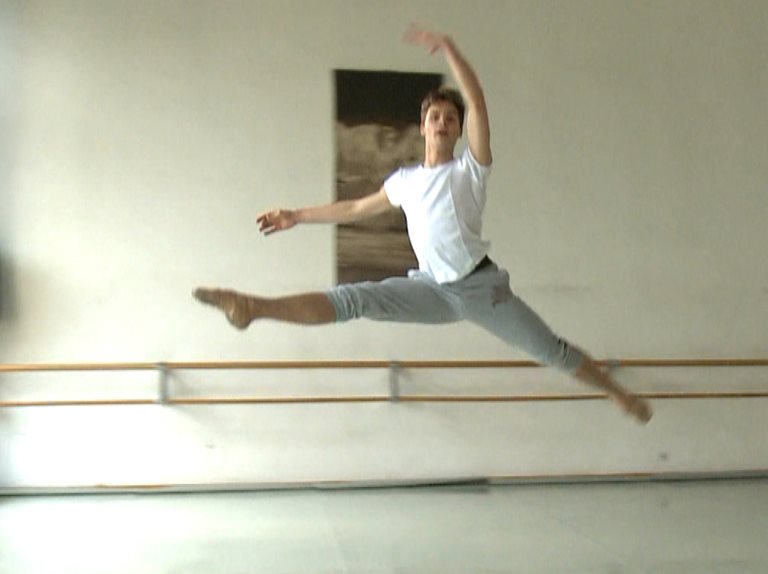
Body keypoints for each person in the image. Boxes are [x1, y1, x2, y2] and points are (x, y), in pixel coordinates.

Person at [194, 26, 652, 424]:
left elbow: (477, 100)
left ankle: (618, 393)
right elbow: (355, 209)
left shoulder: (470, 171)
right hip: (431, 288)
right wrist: (296, 216)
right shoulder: (405, 181)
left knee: (550, 349)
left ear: (458, 131)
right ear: (423, 127)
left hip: (480, 290)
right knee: (355, 299)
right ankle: (252, 307)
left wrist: (449, 48)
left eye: (451, 119)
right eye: (435, 117)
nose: (443, 122)